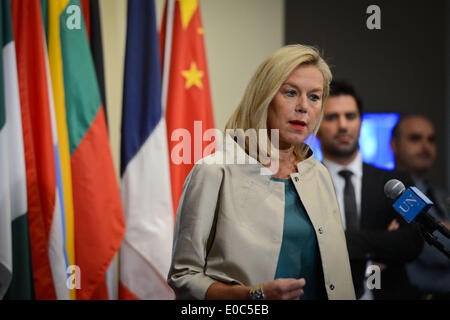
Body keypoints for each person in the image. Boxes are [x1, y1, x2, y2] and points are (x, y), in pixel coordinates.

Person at [167, 45, 356, 300]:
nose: (303, 106)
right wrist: (253, 297)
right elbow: (183, 276)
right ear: (263, 97)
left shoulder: (318, 174)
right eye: (291, 93)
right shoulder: (214, 172)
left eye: (314, 96)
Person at [316, 80, 424, 300]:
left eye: (350, 116)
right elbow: (309, 251)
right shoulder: (305, 184)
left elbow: (415, 239)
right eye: (332, 117)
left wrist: (345, 242)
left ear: (360, 121)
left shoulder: (399, 181)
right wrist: (383, 241)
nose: (343, 125)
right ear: (316, 126)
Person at [391, 114, 450, 300]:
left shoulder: (441, 195)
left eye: (431, 140)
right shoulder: (397, 194)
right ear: (394, 145)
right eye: (415, 138)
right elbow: (438, 253)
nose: (425, 147)